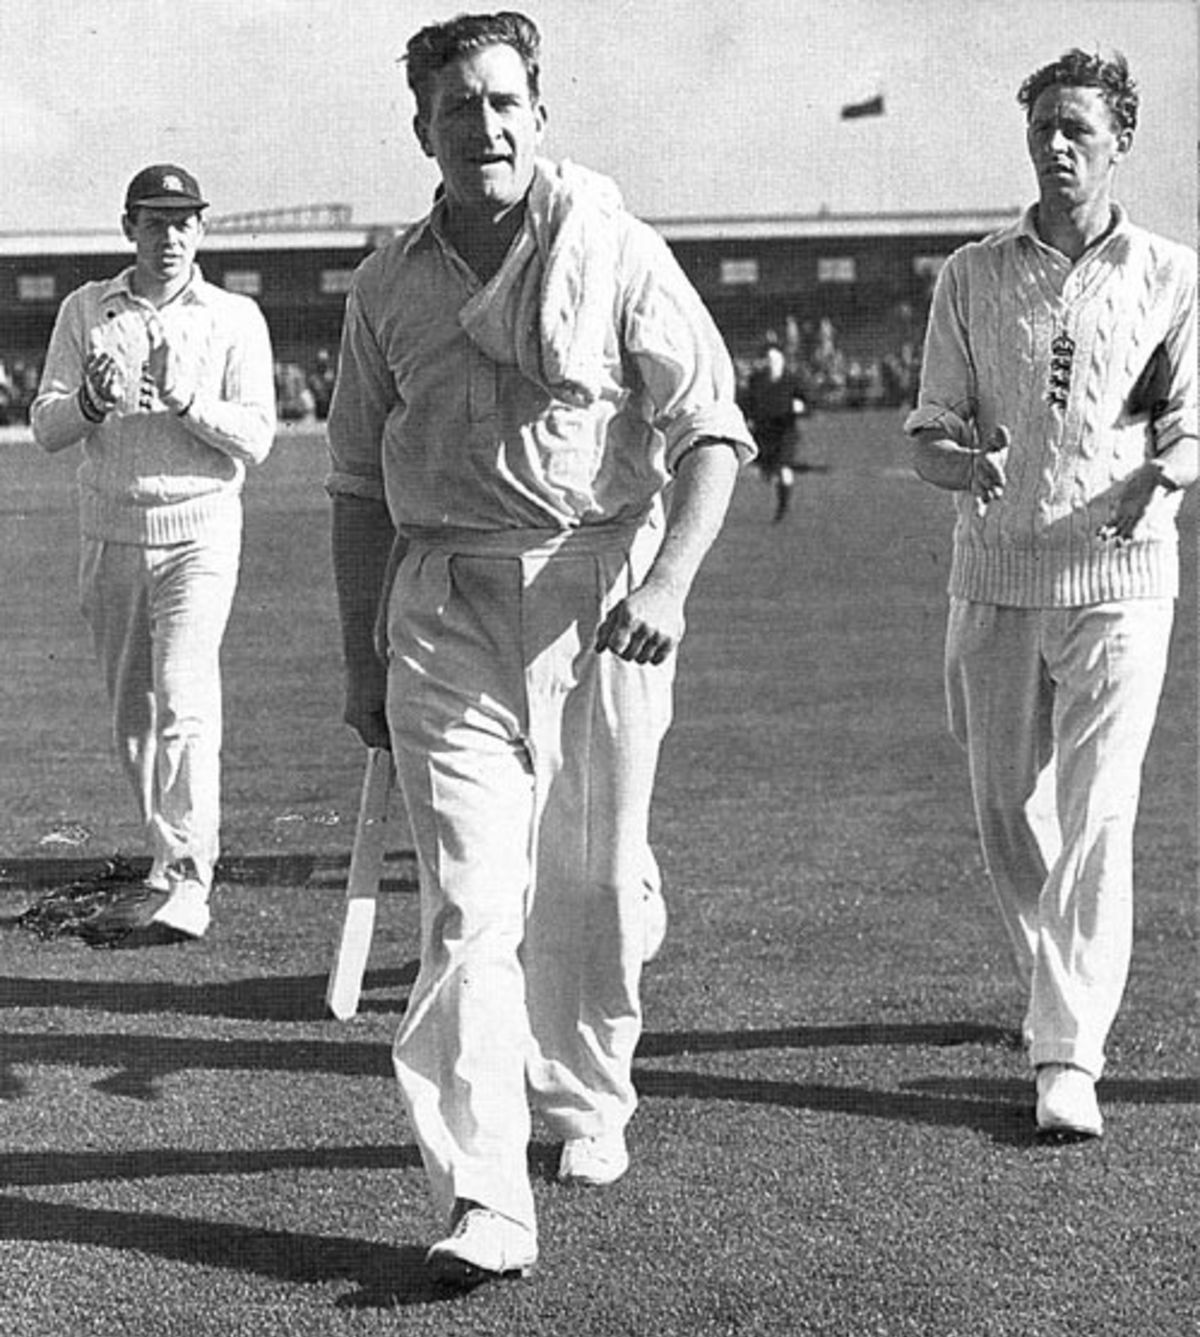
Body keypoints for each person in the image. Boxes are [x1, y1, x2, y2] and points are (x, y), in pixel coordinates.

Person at [326, 11, 753, 1288]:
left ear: (540, 115)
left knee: (594, 886)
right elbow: (353, 481)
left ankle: (584, 1095)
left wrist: (669, 582)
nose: (488, 125)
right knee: (468, 904)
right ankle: (485, 1193)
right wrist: (360, 663)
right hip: (442, 601)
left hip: (601, 591)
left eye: (508, 102)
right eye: (461, 106)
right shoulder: (385, 282)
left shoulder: (615, 248)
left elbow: (711, 434)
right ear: (424, 129)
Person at [906, 50, 1196, 1141]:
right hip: (995, 574)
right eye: (1043, 131)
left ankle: (1069, 1051)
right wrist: (959, 461)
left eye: (1078, 128)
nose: (1058, 147)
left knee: (1099, 811)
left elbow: (1188, 422)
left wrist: (1161, 473)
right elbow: (932, 426)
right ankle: (1049, 980)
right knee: (1001, 807)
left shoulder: (1173, 274)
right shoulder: (972, 275)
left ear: (1121, 137)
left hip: (1122, 577)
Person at [30, 164, 276, 943]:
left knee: (183, 699)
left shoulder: (233, 316)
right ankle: (166, 852)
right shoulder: (86, 308)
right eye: (153, 222)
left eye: (183, 222)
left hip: (199, 529)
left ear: (201, 230)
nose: (168, 237)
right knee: (133, 716)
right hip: (110, 530)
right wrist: (93, 403)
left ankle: (186, 875)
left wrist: (188, 398)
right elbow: (46, 424)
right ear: (128, 227)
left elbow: (259, 437)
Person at [739, 340, 809, 521]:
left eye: (775, 358)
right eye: (769, 359)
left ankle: (783, 507)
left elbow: (808, 402)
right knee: (768, 470)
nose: (772, 362)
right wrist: (746, 420)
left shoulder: (792, 380)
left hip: (785, 431)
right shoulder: (757, 380)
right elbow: (747, 403)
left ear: (782, 359)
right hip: (764, 431)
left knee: (784, 467)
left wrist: (801, 406)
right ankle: (770, 473)